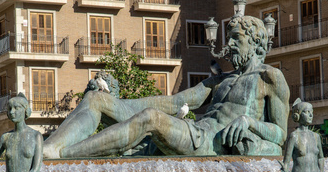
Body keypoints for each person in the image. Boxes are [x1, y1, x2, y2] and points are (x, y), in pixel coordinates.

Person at [43, 15, 290, 158]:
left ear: (257, 43)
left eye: (237, 38)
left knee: (152, 119)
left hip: (209, 143)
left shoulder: (270, 78)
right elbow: (175, 103)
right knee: (97, 99)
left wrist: (249, 122)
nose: (231, 44)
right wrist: (117, 105)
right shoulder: (220, 80)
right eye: (230, 38)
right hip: (193, 131)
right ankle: (49, 150)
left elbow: (281, 134)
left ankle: (64, 158)